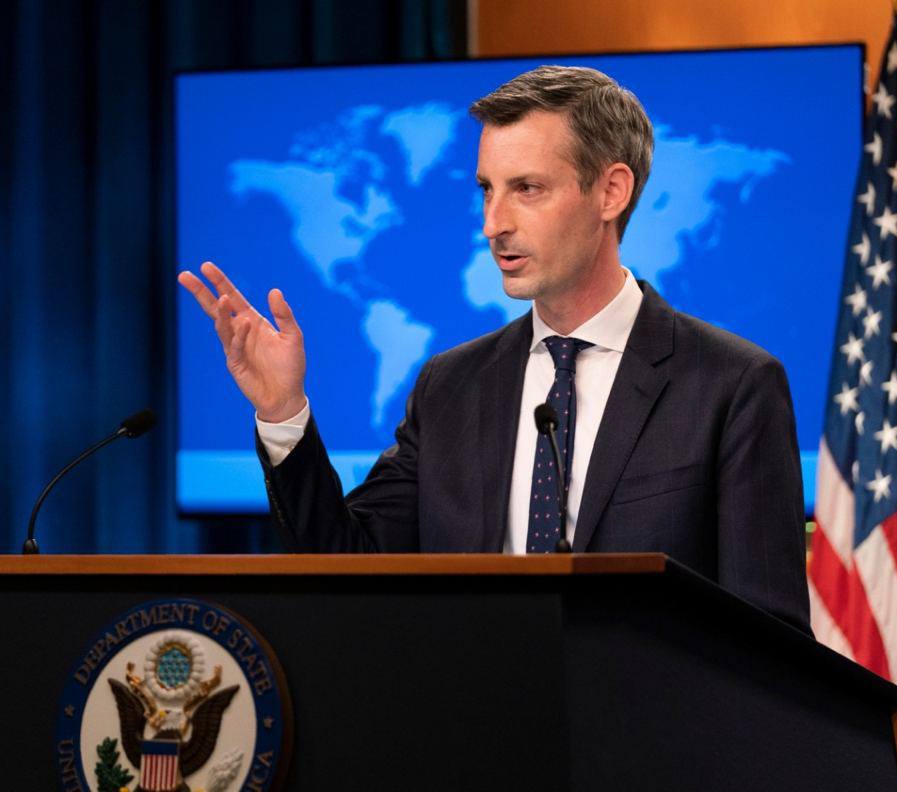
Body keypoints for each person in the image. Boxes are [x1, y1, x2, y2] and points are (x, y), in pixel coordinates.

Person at [179, 66, 811, 634]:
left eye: (527, 188)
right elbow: (352, 565)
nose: (493, 224)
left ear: (611, 192)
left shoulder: (731, 385)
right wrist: (284, 411)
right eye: (487, 188)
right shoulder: (451, 386)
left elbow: (769, 641)